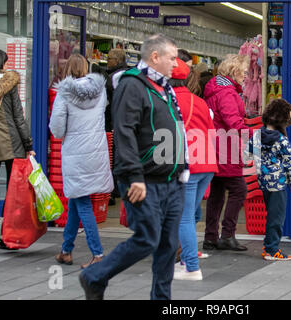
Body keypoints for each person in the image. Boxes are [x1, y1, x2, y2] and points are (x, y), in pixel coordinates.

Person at [79, 34, 187, 300]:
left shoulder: (164, 87)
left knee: (168, 245)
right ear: (155, 57)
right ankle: (94, 275)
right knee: (148, 238)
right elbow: (124, 131)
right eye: (172, 58)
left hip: (172, 179)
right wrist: (135, 176)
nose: (176, 64)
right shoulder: (133, 85)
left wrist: (183, 166)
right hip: (145, 179)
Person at [49, 53, 113, 268]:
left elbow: (57, 128)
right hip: (96, 150)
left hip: (76, 152)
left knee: (83, 202)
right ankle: (66, 250)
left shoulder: (64, 94)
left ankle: (98, 254)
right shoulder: (100, 91)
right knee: (78, 199)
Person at [0, 49, 35, 255]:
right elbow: (18, 117)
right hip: (10, 143)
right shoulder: (8, 82)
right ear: (1, 63)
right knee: (12, 192)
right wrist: (28, 144)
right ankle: (4, 235)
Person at [170, 58, 218, 281]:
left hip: (187, 165)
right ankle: (183, 261)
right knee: (188, 216)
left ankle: (191, 266)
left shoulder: (167, 101)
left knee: (185, 218)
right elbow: (211, 131)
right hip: (207, 163)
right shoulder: (200, 102)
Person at [202, 54, 251, 252]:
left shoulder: (216, 88)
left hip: (215, 145)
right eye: (244, 72)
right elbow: (233, 122)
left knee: (217, 193)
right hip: (226, 147)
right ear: (234, 71)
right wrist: (255, 133)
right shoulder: (227, 93)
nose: (246, 76)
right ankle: (228, 235)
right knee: (239, 190)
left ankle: (210, 237)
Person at [247, 99, 291, 261]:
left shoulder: (257, 135)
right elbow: (289, 162)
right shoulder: (282, 140)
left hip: (263, 181)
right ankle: (271, 249)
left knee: (271, 214)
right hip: (278, 183)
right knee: (276, 216)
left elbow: (247, 153)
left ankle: (269, 246)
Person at [105, 49, 128, 205]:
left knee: (114, 156)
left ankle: (115, 190)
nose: (108, 61)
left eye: (110, 59)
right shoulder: (131, 74)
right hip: (128, 123)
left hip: (116, 122)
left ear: (118, 60)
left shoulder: (113, 77)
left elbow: (108, 101)